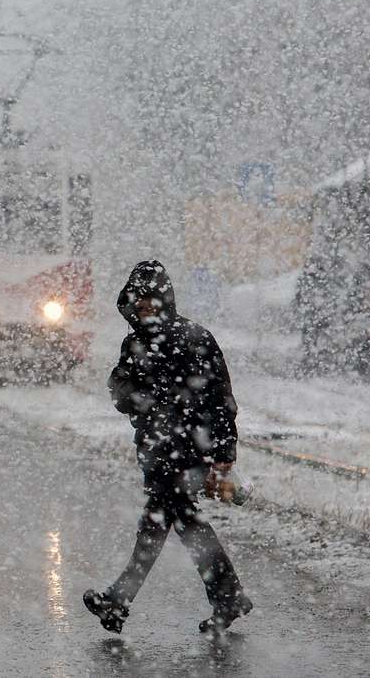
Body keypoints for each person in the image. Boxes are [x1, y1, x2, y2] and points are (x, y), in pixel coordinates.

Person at [84, 260, 252, 636]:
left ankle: (119, 601)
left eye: (149, 298)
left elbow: (220, 398)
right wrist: (135, 397)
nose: (142, 306)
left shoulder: (194, 337)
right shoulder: (136, 342)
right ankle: (228, 596)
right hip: (157, 450)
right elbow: (120, 388)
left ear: (164, 298)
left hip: (188, 451)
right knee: (181, 523)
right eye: (137, 299)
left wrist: (224, 452)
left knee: (158, 523)